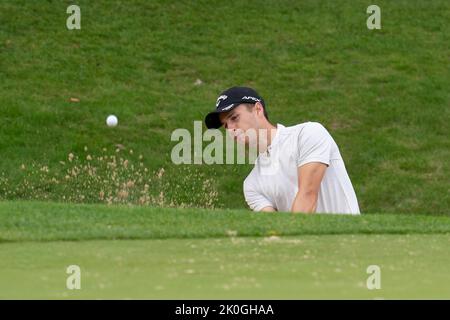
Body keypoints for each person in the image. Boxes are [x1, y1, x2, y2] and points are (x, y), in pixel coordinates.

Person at [205, 86, 360, 214]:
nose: (230, 129)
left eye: (234, 118)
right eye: (225, 125)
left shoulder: (308, 134)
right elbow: (275, 228)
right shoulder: (251, 185)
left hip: (352, 246)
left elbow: (308, 196)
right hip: (307, 251)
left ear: (258, 109)